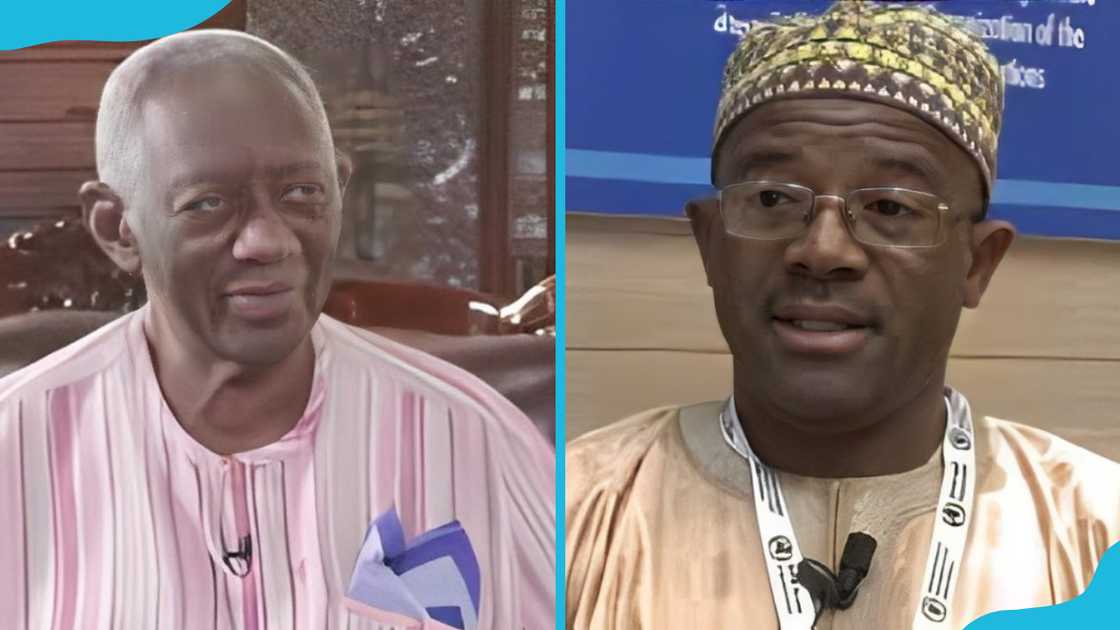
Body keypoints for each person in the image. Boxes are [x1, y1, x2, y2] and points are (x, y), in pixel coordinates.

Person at [566, 3, 1120, 629]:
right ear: (710, 244)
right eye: (773, 198)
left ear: (978, 264)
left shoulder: (1099, 533)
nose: (823, 251)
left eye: (890, 206)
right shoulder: (566, 514)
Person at [0, 30, 553, 629]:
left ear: (340, 186)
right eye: (208, 203)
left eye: (301, 193)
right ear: (117, 228)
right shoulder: (15, 447)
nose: (268, 240)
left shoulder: (473, 437)